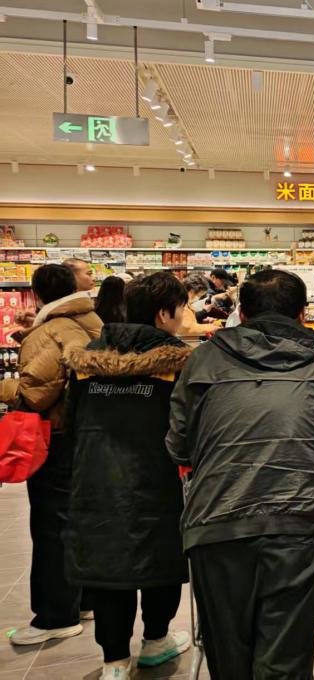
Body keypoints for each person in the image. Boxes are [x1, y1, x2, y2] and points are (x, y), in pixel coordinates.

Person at [166, 269, 314, 679]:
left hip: (216, 522)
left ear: (241, 312)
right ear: (303, 313)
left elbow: (178, 445)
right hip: (298, 521)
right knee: (286, 659)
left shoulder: (204, 357)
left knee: (228, 657)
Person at [64, 272, 192, 678]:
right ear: (163, 314)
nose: (182, 317)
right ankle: (156, 640)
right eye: (180, 309)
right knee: (161, 559)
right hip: (158, 477)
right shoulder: (179, 363)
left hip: (96, 479)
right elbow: (189, 427)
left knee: (107, 567)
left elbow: (72, 421)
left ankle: (114, 661)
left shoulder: (88, 359)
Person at [0, 263, 103, 645]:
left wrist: (6, 389)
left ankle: (56, 616)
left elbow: (36, 393)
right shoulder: (90, 320)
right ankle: (85, 598)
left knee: (51, 526)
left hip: (58, 438)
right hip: (88, 435)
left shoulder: (53, 329)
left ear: (38, 294)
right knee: (79, 520)